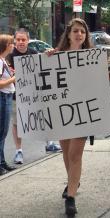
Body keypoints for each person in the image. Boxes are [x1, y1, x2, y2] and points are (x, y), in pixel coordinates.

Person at [47, 18, 94, 216]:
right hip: (61, 111)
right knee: (66, 153)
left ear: (85, 36)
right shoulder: (56, 56)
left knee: (75, 154)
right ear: (68, 34)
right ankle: (72, 182)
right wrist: (46, 58)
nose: (79, 34)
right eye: (75, 31)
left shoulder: (92, 57)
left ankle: (71, 197)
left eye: (82, 32)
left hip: (83, 111)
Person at [6, 28, 61, 165]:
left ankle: (49, 143)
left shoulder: (34, 53)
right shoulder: (9, 56)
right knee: (17, 124)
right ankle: (19, 151)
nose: (20, 42)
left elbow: (44, 67)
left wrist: (49, 54)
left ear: (28, 40)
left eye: (23, 39)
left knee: (43, 116)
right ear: (14, 40)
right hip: (15, 96)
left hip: (34, 94)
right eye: (18, 39)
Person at [0, 34, 16, 175]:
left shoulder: (3, 60)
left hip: (6, 97)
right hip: (3, 97)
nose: (13, 45)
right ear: (5, 46)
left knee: (3, 133)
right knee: (2, 132)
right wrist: (14, 79)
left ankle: (2, 162)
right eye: (11, 43)